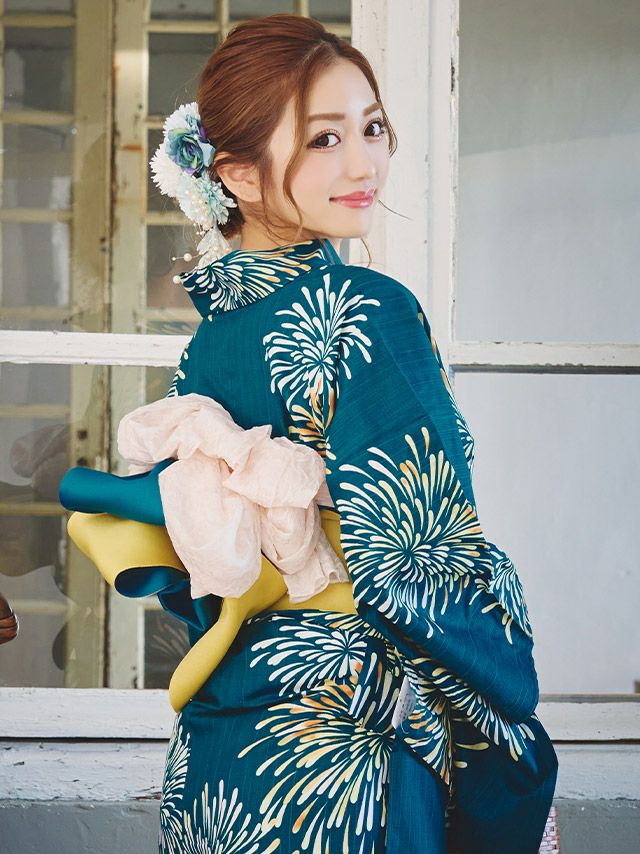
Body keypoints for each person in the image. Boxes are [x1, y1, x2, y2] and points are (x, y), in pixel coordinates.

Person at [59, 13, 558, 853]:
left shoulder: (212, 339)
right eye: (324, 139)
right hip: (348, 753)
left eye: (372, 128)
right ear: (239, 175)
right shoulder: (365, 309)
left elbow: (200, 575)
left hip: (223, 747)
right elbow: (419, 567)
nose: (364, 164)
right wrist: (509, 721)